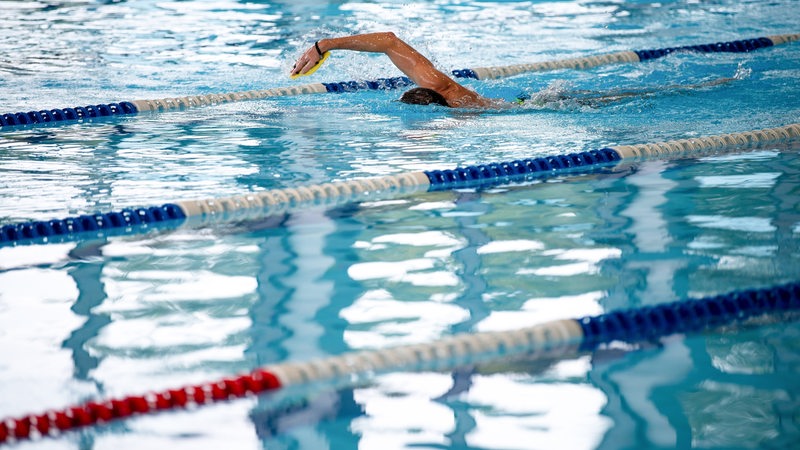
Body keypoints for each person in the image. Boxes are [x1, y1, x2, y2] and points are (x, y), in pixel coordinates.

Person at [290, 32, 737, 109]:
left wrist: (322, 44)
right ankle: (709, 82)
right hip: (528, 104)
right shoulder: (444, 95)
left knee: (642, 96)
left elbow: (388, 40)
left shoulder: (454, 98)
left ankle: (713, 81)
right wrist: (324, 46)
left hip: (541, 105)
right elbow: (389, 42)